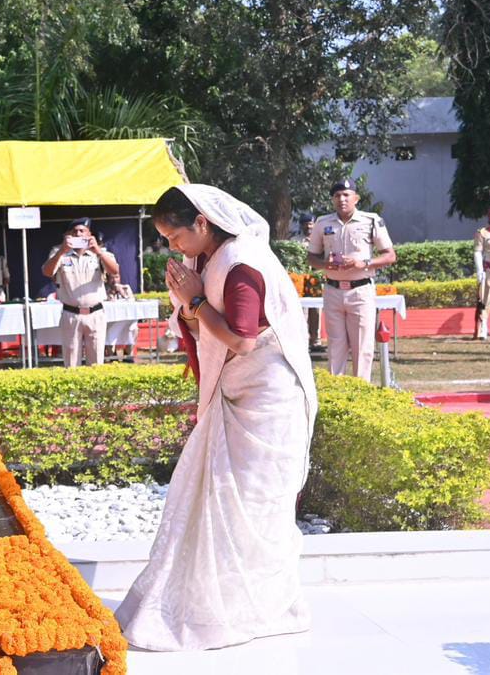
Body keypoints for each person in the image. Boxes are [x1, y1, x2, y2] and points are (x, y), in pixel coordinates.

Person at [115, 185, 318, 651]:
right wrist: (188, 301)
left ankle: (264, 607)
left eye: (175, 237)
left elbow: (243, 341)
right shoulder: (203, 261)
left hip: (266, 402)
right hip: (232, 393)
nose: (172, 248)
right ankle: (216, 603)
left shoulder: (241, 263)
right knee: (217, 502)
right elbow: (197, 324)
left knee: (254, 507)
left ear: (202, 223)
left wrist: (195, 300)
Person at [306, 178, 396, 382]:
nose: (342, 199)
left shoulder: (371, 220)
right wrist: (323, 264)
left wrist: (363, 263)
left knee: (362, 346)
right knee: (336, 345)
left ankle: (360, 390)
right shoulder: (322, 222)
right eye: (337, 196)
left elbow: (390, 256)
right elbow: (311, 256)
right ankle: (337, 391)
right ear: (332, 199)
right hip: (333, 290)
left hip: (360, 290)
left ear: (356, 198)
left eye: (346, 195)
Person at [41, 218, 120, 366]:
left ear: (89, 234)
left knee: (96, 361)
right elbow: (47, 272)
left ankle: (96, 390)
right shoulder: (60, 252)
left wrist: (98, 252)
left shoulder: (100, 252)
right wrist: (61, 251)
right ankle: (73, 390)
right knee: (71, 362)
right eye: (74, 231)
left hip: (95, 313)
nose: (78, 234)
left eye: (82, 231)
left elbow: (114, 271)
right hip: (71, 314)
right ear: (68, 235)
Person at [296, 213, 322, 349]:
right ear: (301, 225)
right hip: (300, 279)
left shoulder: (320, 240)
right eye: (306, 224)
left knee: (316, 310)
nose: (309, 226)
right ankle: (303, 340)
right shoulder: (295, 241)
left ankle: (316, 340)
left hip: (315, 280)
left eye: (311, 223)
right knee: (302, 310)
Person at [475, 210, 490, 341]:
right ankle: (484, 327)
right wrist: (480, 270)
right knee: (485, 300)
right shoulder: (482, 233)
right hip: (488, 270)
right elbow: (478, 252)